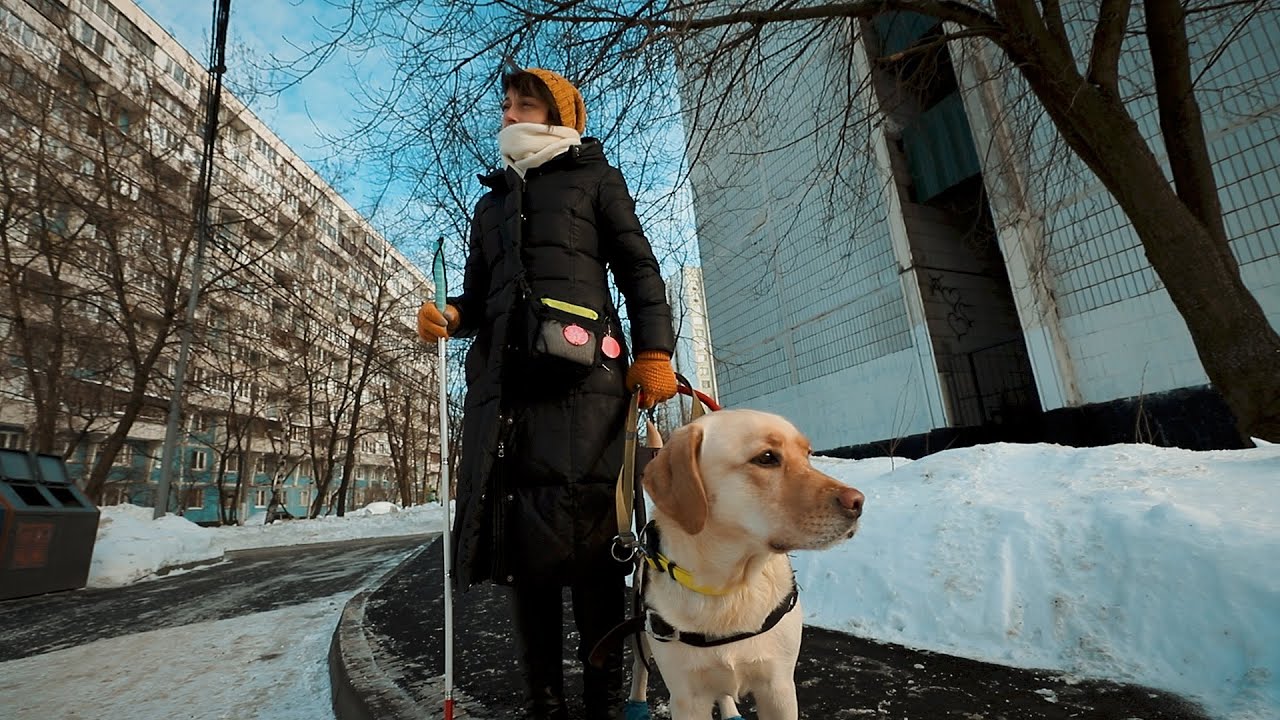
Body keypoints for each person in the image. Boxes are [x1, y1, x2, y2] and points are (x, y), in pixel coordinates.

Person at [417, 67, 678, 720]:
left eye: (523, 104)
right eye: (505, 105)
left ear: (558, 114)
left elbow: (639, 269)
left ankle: (602, 703)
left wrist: (654, 353)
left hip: (587, 391)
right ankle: (544, 703)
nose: (508, 114)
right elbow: (479, 296)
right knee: (523, 554)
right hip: (508, 398)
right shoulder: (491, 203)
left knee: (594, 551)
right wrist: (452, 316)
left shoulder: (595, 178)